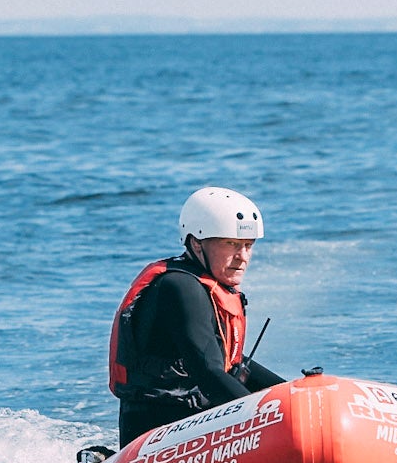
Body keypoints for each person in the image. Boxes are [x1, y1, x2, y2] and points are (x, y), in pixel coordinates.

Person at [108, 187, 284, 446]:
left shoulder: (205, 287)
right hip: (155, 435)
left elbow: (228, 363)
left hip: (196, 422)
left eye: (248, 245)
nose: (243, 257)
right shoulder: (179, 288)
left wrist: (293, 393)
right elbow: (208, 373)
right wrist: (266, 420)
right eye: (231, 244)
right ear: (196, 243)